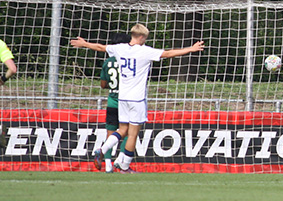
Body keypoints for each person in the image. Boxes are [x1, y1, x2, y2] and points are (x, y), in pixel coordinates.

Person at [70, 24, 205, 173]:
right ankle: (124, 166)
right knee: (133, 133)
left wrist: (84, 44)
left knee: (122, 129)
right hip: (137, 99)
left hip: (123, 97)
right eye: (145, 38)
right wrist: (190, 49)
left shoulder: (119, 48)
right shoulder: (145, 51)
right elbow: (168, 54)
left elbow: (100, 47)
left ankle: (102, 149)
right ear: (141, 37)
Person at [91, 32, 131, 172]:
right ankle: (120, 160)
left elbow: (103, 84)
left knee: (110, 132)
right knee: (127, 131)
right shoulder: (128, 60)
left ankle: (108, 165)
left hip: (112, 100)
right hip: (126, 100)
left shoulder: (108, 62)